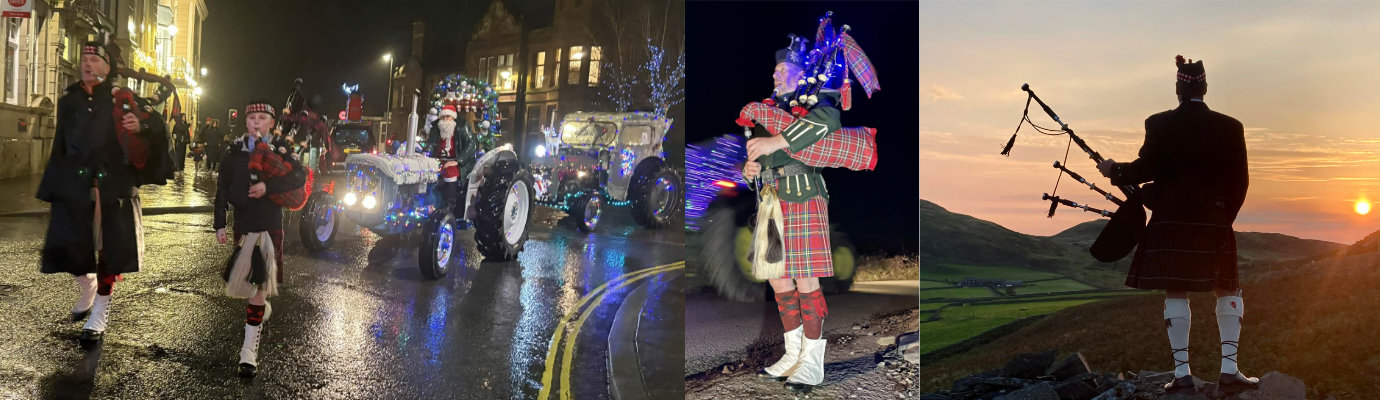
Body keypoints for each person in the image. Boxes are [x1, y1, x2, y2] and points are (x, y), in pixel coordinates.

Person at [1097, 55, 1254, 395]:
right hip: (1213, 222)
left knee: (1176, 289)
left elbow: (1145, 168)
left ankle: (1182, 374)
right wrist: (1223, 219)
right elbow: (1240, 182)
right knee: (1227, 288)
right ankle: (1230, 371)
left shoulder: (1159, 123)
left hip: (1169, 220)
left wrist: (1114, 171)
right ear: (1205, 87)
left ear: (1179, 88)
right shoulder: (1231, 127)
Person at [738, 34, 878, 394]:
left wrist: (774, 142)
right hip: (770, 199)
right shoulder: (768, 109)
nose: (776, 75)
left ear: (802, 72)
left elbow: (825, 124)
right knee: (778, 280)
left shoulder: (820, 96)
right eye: (774, 70)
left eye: (783, 69)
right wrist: (749, 170)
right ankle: (792, 356)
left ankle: (813, 364)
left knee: (805, 280)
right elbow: (759, 156)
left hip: (803, 195)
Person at [35, 41, 169, 349]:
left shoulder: (121, 99)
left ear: (107, 68)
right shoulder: (69, 100)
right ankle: (88, 286)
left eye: (95, 58)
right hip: (76, 185)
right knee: (68, 245)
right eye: (84, 57)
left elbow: (154, 123)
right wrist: (52, 184)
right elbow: (61, 144)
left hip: (114, 187)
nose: (88, 62)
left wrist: (142, 127)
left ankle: (100, 313)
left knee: (110, 254)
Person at [213, 99, 306, 378]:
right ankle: (258, 310)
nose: (256, 122)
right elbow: (221, 189)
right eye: (252, 117)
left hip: (269, 226)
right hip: (244, 226)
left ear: (272, 123)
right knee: (248, 289)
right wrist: (219, 224)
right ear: (245, 121)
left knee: (258, 289)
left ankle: (248, 351)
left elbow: (299, 177)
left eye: (262, 118)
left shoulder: (283, 150)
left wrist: (268, 186)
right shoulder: (232, 155)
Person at [426, 104, 476, 212]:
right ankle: (430, 203)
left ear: (453, 117)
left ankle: (450, 206)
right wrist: (426, 155)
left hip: (457, 160)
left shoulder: (462, 127)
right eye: (443, 117)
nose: (445, 119)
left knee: (449, 172)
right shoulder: (436, 128)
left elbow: (471, 145)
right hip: (438, 159)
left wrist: (458, 161)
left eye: (447, 117)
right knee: (427, 171)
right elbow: (431, 144)